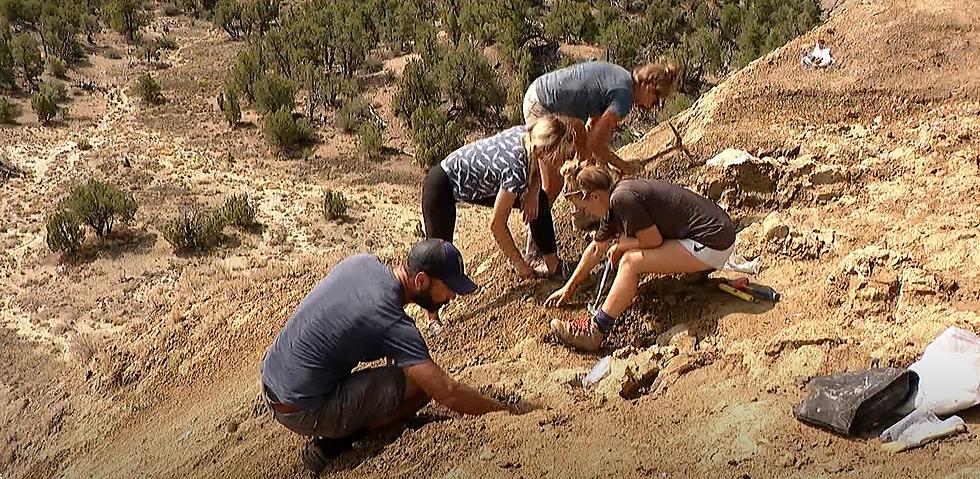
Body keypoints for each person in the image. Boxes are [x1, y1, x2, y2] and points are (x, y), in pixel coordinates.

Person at [260, 239, 528, 474]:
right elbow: (447, 391)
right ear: (421, 280)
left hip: (273, 378)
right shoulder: (393, 323)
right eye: (448, 288)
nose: (452, 296)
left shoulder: (364, 263)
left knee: (401, 371)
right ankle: (334, 444)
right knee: (422, 389)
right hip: (302, 409)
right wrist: (502, 411)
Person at [544, 166, 736, 352]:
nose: (587, 213)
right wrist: (568, 288)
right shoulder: (615, 199)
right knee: (627, 241)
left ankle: (596, 330)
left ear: (594, 196)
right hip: (715, 234)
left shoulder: (622, 199)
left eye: (584, 207)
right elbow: (596, 248)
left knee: (630, 262)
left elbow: (653, 240)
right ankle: (696, 274)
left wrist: (620, 246)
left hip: (713, 242)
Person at [421, 114, 575, 284]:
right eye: (561, 157)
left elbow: (535, 159)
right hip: (441, 187)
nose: (561, 162)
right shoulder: (515, 169)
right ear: (548, 150)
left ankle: (554, 266)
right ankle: (431, 309)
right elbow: (497, 225)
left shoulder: (526, 133)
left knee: (540, 200)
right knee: (441, 256)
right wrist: (519, 263)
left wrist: (532, 191)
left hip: (474, 184)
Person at [523, 61, 679, 203]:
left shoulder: (621, 77)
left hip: (542, 95)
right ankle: (537, 229)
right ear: (649, 86)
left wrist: (601, 161)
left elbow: (591, 128)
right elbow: (594, 143)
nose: (653, 106)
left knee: (584, 156)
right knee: (552, 186)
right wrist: (623, 165)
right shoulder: (624, 96)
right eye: (656, 100)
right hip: (542, 106)